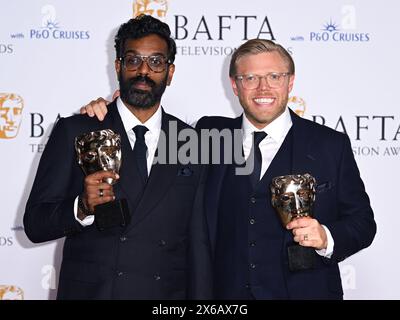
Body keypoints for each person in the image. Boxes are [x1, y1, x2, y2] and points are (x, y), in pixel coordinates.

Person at [81, 39, 377, 299]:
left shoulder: (329, 145)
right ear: (235, 85)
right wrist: (108, 112)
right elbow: (146, 131)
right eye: (250, 77)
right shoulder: (210, 136)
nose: (263, 88)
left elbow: (363, 223)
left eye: (274, 76)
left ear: (291, 81)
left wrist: (326, 236)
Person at [23, 15, 211, 300]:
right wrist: (82, 207)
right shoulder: (77, 129)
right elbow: (35, 224)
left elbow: (198, 240)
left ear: (170, 73)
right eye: (133, 60)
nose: (143, 71)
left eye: (156, 62)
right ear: (118, 67)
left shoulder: (191, 140)